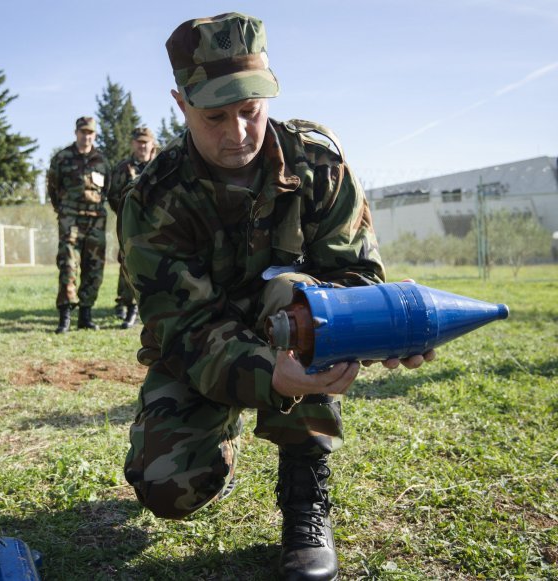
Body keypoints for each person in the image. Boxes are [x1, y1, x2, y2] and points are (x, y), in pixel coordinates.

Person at [118, 13, 434, 581]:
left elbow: (358, 276)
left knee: (312, 306)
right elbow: (183, 329)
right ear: (179, 103)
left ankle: (304, 498)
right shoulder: (154, 200)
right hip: (208, 346)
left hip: (298, 332)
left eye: (251, 110)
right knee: (167, 488)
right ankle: (228, 428)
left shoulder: (319, 166)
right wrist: (268, 375)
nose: (237, 132)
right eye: (215, 115)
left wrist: (385, 327)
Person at [46, 116, 110, 333]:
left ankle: (86, 314)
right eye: (83, 132)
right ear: (76, 133)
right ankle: (65, 316)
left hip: (95, 220)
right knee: (67, 264)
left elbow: (107, 190)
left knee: (94, 267)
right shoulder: (62, 158)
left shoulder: (102, 160)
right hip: (70, 219)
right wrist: (63, 209)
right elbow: (52, 187)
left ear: (95, 135)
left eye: (90, 132)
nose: (86, 136)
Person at [107, 127, 157, 329]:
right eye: (139, 142)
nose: (142, 145)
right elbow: (112, 196)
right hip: (131, 225)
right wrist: (127, 213)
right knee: (128, 263)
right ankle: (129, 306)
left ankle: (156, 306)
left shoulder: (164, 164)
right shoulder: (122, 168)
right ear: (132, 144)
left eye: (146, 142)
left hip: (159, 225)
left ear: (152, 143)